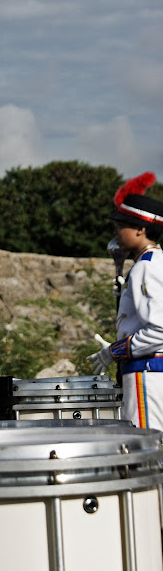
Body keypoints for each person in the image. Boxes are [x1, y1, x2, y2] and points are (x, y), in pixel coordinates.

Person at [88, 172, 163, 430]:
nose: (116, 231)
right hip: (148, 370)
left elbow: (159, 331)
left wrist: (114, 351)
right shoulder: (154, 262)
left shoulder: (146, 266)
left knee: (147, 443)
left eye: (122, 225)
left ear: (141, 229)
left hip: (147, 372)